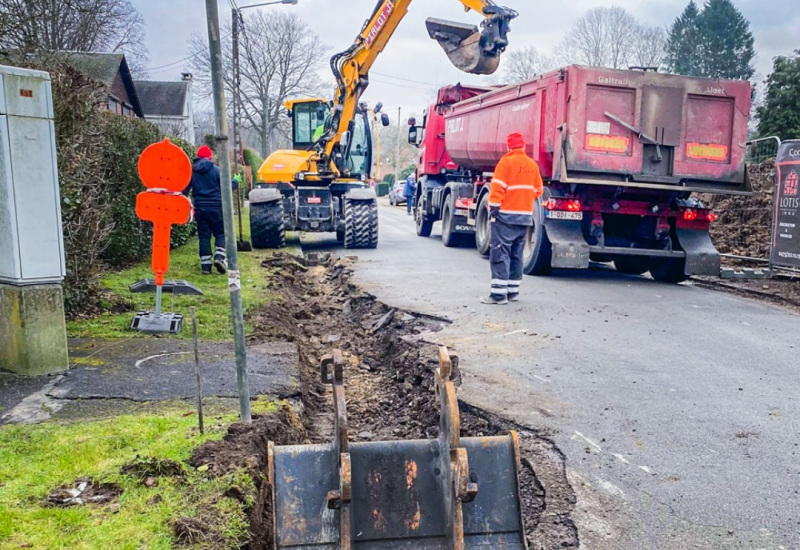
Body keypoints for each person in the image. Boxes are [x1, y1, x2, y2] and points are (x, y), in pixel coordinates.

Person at [482, 133, 544, 305]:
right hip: (524, 217)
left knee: (500, 252)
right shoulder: (532, 165)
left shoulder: (506, 162)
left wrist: (493, 208)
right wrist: (523, 199)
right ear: (523, 147)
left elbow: (497, 188)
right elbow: (539, 190)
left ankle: (498, 295)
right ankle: (512, 292)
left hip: (505, 216)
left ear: (508, 147)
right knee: (516, 254)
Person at [184, 145, 228, 275]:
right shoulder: (216, 170)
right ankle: (219, 258)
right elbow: (226, 188)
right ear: (209, 157)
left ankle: (205, 266)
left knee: (204, 236)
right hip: (216, 208)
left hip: (201, 208)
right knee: (220, 234)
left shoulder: (192, 172)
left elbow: (185, 191)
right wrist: (236, 181)